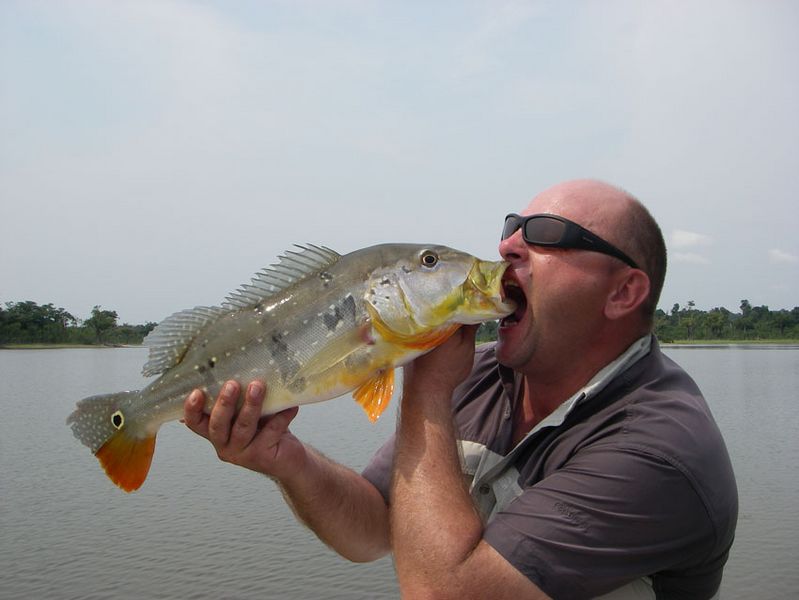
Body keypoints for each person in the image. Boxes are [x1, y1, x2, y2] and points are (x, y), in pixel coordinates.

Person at [183, 179, 738, 599]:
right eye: (511, 229)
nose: (508, 248)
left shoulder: (659, 452)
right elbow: (373, 528)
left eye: (547, 235)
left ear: (623, 292)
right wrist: (287, 460)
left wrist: (425, 388)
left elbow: (443, 593)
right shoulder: (479, 377)